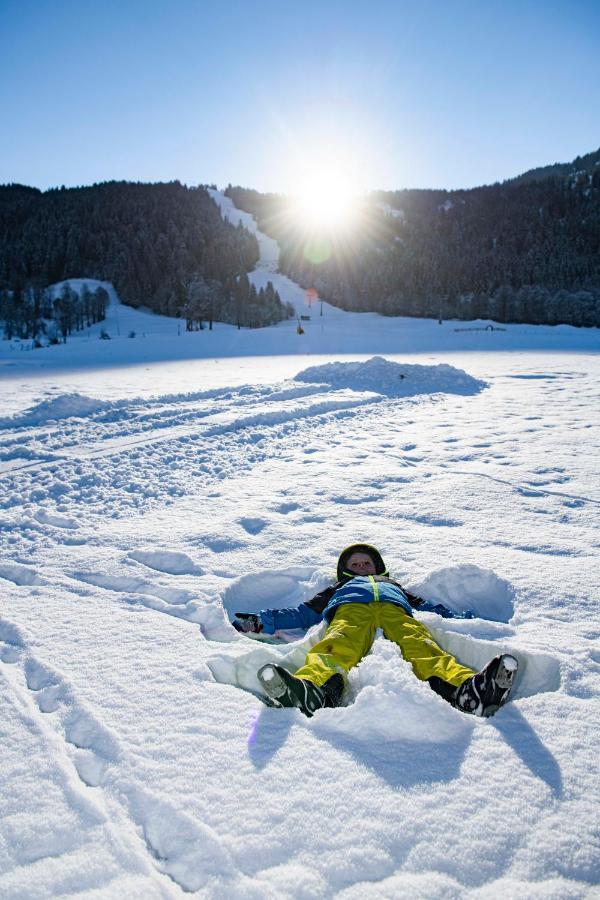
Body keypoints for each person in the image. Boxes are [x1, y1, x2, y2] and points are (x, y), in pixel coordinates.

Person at [233, 543, 518, 719]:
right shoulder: (339, 588)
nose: (360, 566)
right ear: (345, 571)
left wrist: (466, 619)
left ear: (377, 567)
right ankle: (312, 690)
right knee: (335, 646)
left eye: (366, 563)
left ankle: (467, 690)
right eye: (354, 564)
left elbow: (433, 607)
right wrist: (262, 622)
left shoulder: (393, 586)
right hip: (350, 612)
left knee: (422, 646)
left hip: (395, 612)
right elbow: (301, 613)